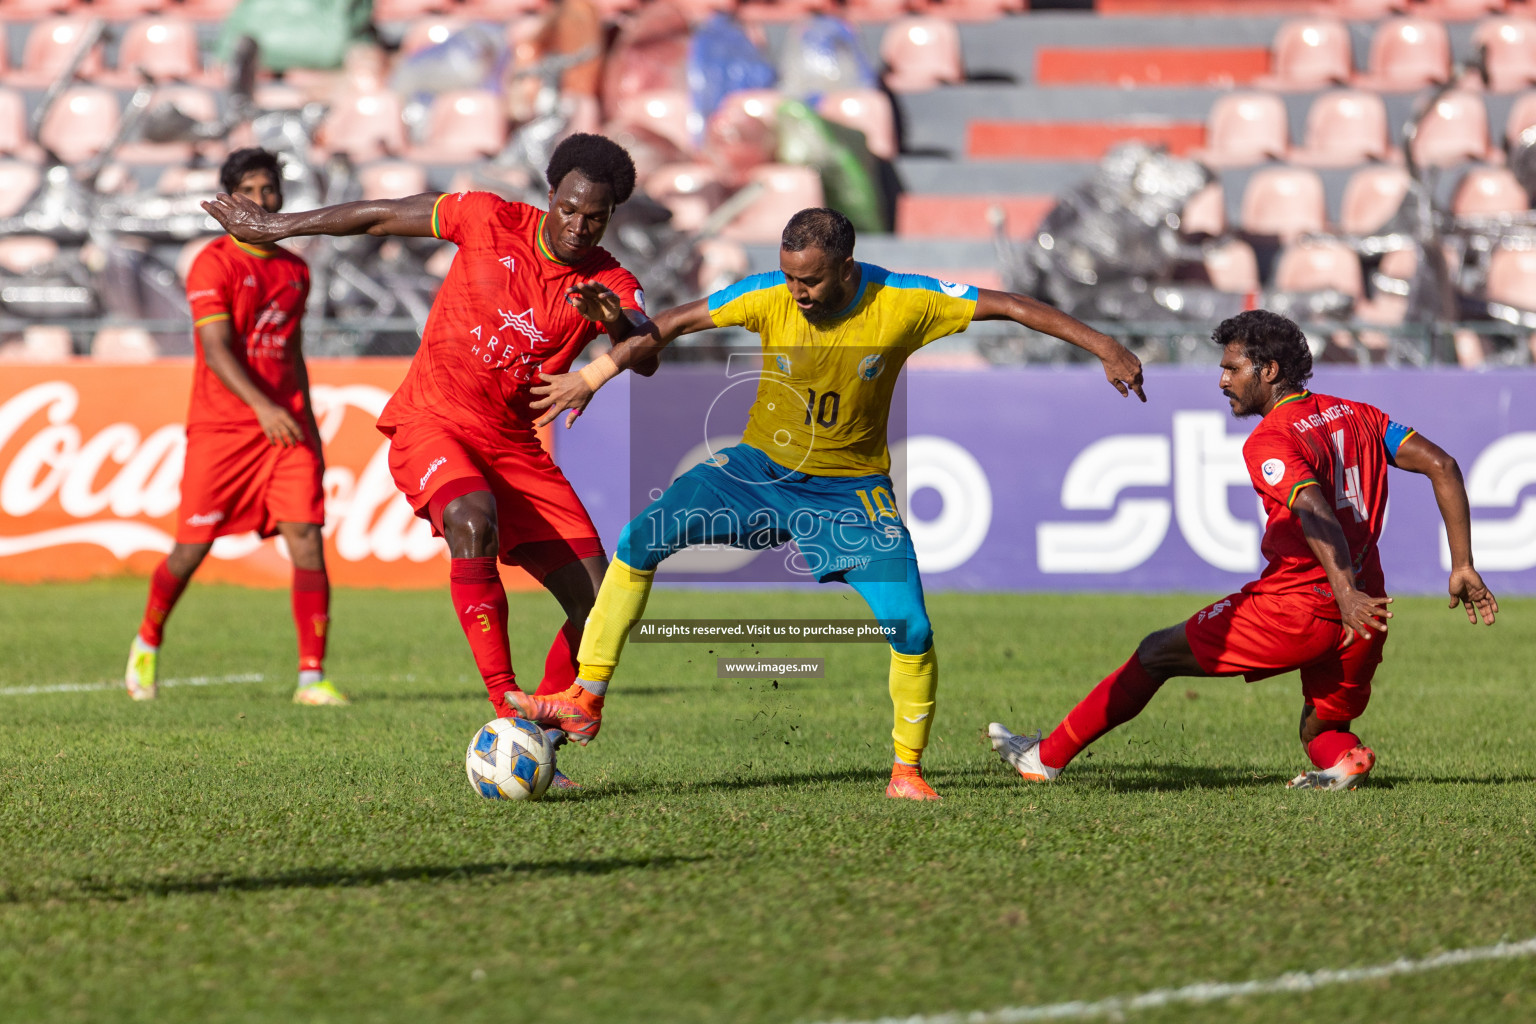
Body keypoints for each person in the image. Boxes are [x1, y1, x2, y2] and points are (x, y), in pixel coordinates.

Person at [528, 207, 1147, 799]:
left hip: (849, 493)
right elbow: (672, 324)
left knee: (911, 626)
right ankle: (587, 697)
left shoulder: (904, 300)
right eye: (789, 275)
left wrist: (1104, 346)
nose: (795, 290)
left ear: (847, 267)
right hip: (757, 470)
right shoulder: (766, 293)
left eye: (810, 279)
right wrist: (594, 372)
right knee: (641, 538)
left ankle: (906, 771)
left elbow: (1011, 305)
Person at [200, 135, 650, 766]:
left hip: (516, 447)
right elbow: (379, 213)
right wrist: (277, 225)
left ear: (611, 215)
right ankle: (505, 707)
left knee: (598, 605)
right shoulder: (489, 218)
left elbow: (648, 348)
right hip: (434, 421)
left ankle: (540, 738)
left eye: (594, 215)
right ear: (550, 194)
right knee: (472, 519)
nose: (578, 225)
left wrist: (619, 326)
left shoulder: (607, 280)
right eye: (569, 207)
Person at [988, 309, 1499, 791]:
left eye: (1232, 368)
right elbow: (1444, 465)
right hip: (1368, 608)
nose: (1222, 380)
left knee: (1154, 654)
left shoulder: (1270, 440)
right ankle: (1346, 760)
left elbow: (1317, 512)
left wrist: (1340, 594)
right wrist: (1462, 565)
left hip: (1303, 606)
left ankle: (1044, 758)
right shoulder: (1358, 415)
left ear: (1269, 370)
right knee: (1322, 729)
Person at [126, 148, 345, 706]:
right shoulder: (212, 262)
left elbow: (292, 357)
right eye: (247, 190)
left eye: (269, 188)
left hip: (286, 430)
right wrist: (262, 408)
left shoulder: (296, 269)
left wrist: (307, 426)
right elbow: (217, 351)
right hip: (223, 429)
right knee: (190, 550)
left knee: (306, 539)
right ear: (228, 200)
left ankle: (311, 677)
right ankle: (148, 639)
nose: (262, 200)